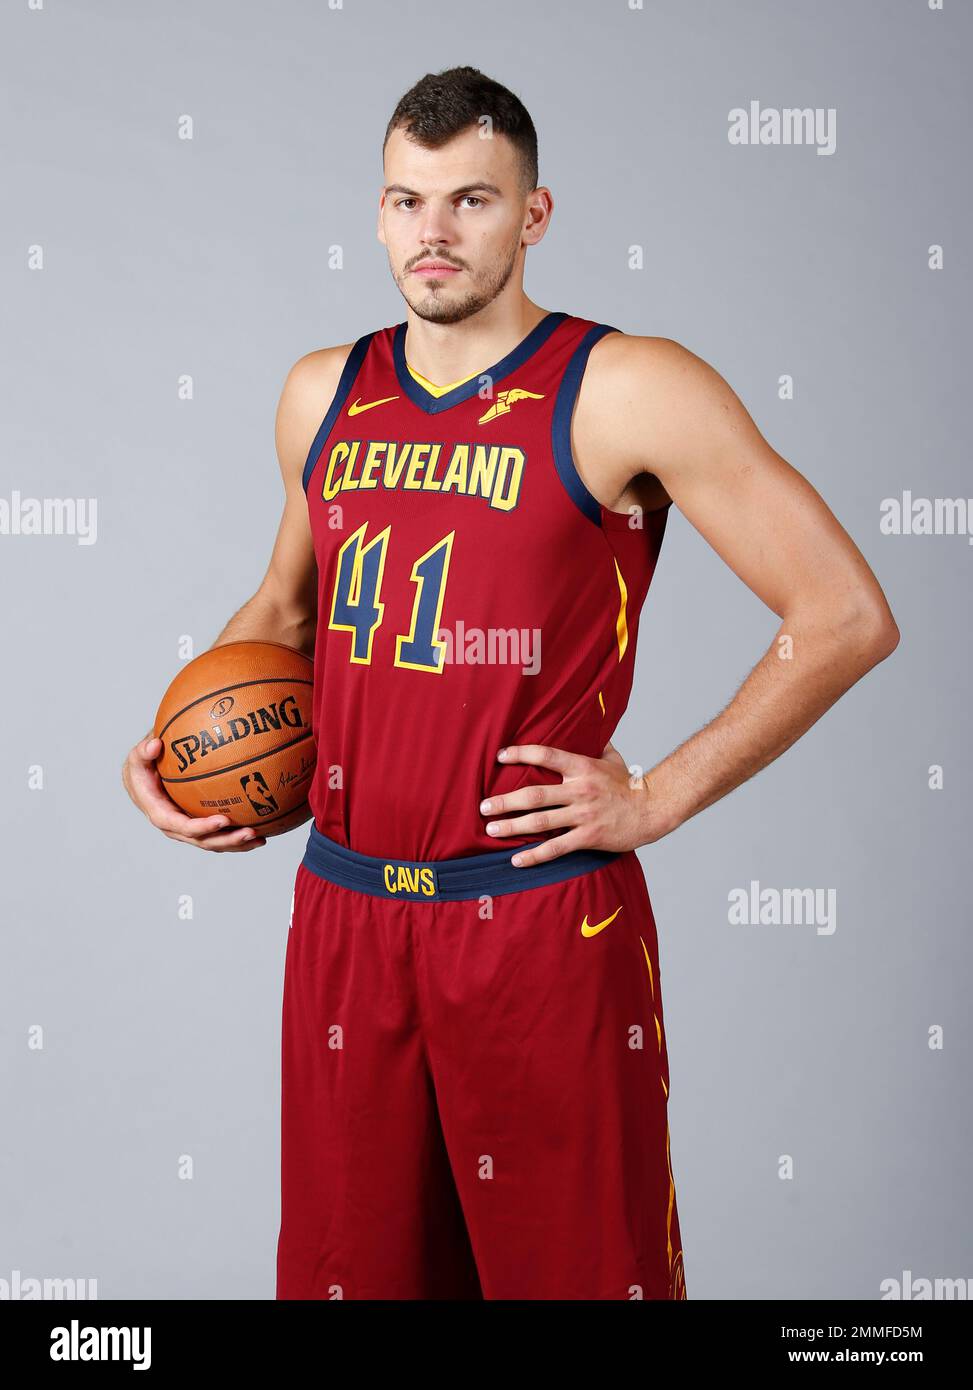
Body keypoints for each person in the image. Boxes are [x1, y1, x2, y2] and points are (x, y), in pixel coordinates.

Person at [122, 65, 899, 1300]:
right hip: (347, 911)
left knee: (579, 1278)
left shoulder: (629, 384)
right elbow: (281, 610)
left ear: (532, 216)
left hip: (536, 918)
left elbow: (846, 614)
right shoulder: (322, 390)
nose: (434, 231)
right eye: (407, 199)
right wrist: (176, 744)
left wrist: (658, 794)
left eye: (470, 200)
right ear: (378, 213)